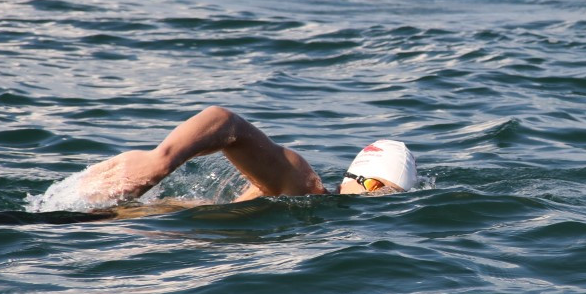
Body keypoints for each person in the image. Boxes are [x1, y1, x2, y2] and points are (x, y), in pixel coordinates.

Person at [74, 106, 417, 206]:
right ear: (351, 180)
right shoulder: (304, 185)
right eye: (374, 185)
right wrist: (159, 161)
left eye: (392, 198)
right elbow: (225, 122)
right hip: (107, 226)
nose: (378, 201)